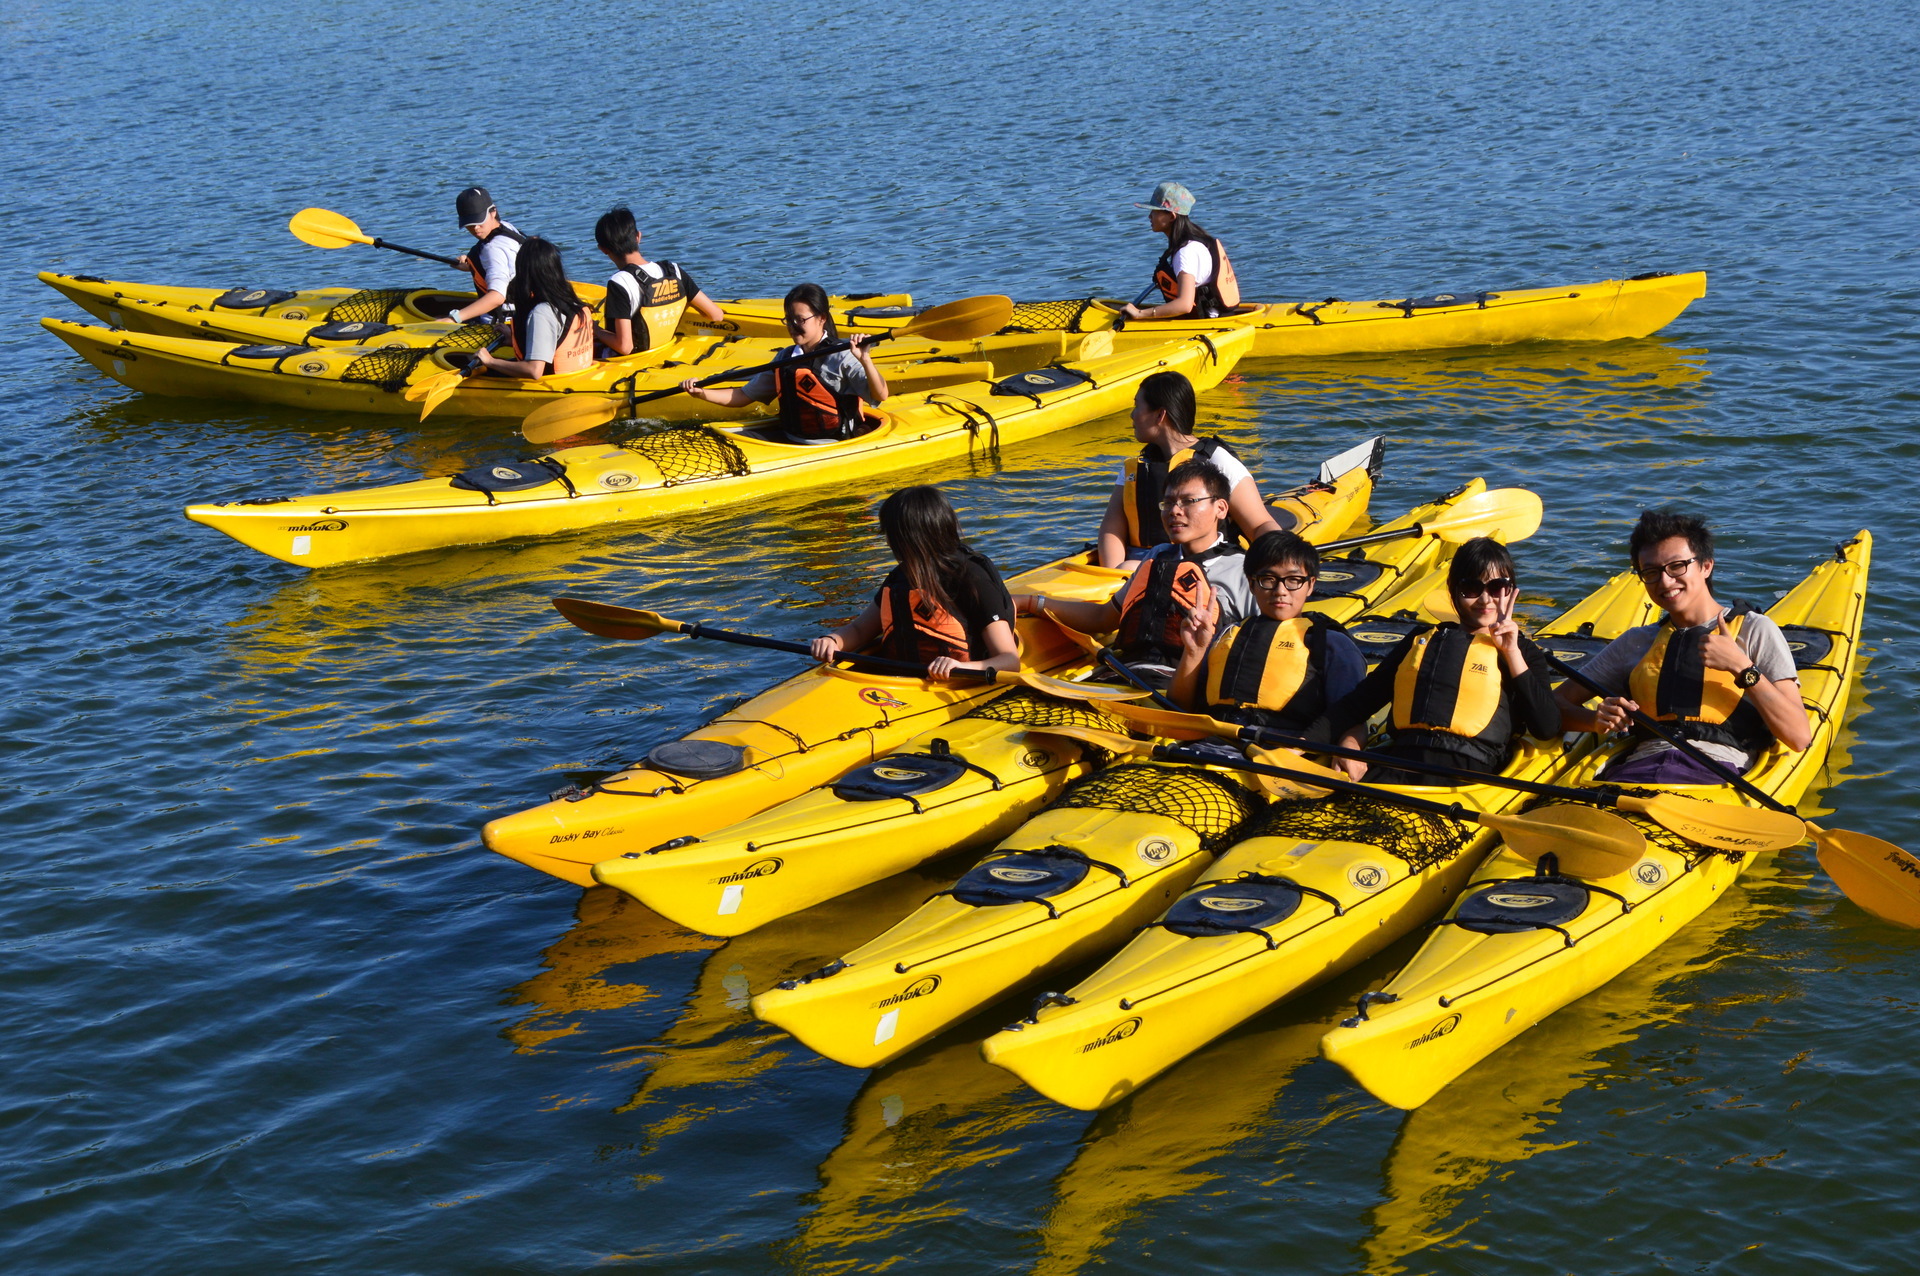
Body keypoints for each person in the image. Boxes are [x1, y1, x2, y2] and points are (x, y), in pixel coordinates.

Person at [1554, 509, 1810, 783]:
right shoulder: (1635, 642)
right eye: (1650, 572)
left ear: (1706, 566)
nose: (1665, 581)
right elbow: (1554, 705)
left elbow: (1798, 736)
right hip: (1635, 771)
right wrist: (1594, 720)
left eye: (1677, 566)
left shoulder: (1754, 629)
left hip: (1718, 774)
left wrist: (1741, 667)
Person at [1315, 537, 1561, 783]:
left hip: (1466, 778)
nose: (1486, 600)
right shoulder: (1423, 638)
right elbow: (1359, 703)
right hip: (1399, 765)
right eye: (1471, 589)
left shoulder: (1525, 653)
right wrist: (1313, 744)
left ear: (1510, 591)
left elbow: (1546, 727)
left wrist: (1511, 653)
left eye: (1497, 587)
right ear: (1453, 589)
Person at [1014, 460, 1253, 689]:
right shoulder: (1159, 557)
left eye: (1189, 501)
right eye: (1168, 503)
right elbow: (1103, 618)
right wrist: (1031, 602)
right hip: (1129, 672)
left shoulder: (1243, 572)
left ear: (1220, 508)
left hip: (1187, 687)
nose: (1175, 511)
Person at [1170, 530, 1368, 740]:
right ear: (1251, 584)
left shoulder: (1330, 644)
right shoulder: (1225, 636)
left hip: (1283, 752)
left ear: (1310, 585)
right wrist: (1194, 651)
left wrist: (1348, 751)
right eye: (1268, 579)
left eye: (1293, 580)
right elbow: (1180, 705)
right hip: (1212, 745)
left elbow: (1352, 716)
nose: (1280, 590)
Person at [809, 486, 1019, 679]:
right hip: (904, 681)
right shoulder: (900, 577)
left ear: (907, 538)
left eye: (889, 534)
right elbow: (860, 630)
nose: (887, 541)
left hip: (961, 679)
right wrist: (832, 640)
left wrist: (959, 667)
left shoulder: (972, 578)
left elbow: (1009, 661)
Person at [1096, 369, 1281, 566]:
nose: (1132, 415)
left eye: (1137, 406)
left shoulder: (1217, 460)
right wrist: (1115, 577)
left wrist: (1281, 559)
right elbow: (1111, 529)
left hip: (1201, 564)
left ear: (1160, 414)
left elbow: (1259, 524)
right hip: (1136, 571)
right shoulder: (1138, 466)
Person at [680, 283, 890, 443]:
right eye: (789, 320)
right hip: (791, 439)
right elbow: (743, 396)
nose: (793, 326)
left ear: (822, 318)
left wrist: (865, 359)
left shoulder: (842, 356)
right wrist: (701, 392)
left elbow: (881, 394)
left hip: (831, 444)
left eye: (800, 320)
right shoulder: (785, 358)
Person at [591, 206, 726, 357]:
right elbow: (716, 315)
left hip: (630, 361)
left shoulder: (619, 282)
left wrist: (595, 330)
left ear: (602, 249)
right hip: (665, 349)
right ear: (638, 237)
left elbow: (625, 347)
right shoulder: (674, 271)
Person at [469, 238, 592, 380]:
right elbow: (558, 340)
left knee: (476, 370)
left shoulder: (543, 312)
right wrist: (514, 340)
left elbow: (533, 371)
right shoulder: (573, 302)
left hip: (553, 387)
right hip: (579, 376)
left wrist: (490, 361)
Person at [1119, 181, 1241, 323]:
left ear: (1171, 216)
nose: (1149, 216)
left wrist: (1140, 314)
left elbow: (1184, 305)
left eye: (1154, 211)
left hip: (1208, 324)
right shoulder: (1197, 241)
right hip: (1218, 317)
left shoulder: (1186, 253)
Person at [447, 186, 526, 325]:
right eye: (470, 223)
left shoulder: (493, 248)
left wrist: (453, 319)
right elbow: (509, 267)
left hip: (503, 322)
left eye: (479, 220)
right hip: (525, 306)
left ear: (493, 211)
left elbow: (497, 297)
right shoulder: (506, 227)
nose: (475, 228)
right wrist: (472, 265)